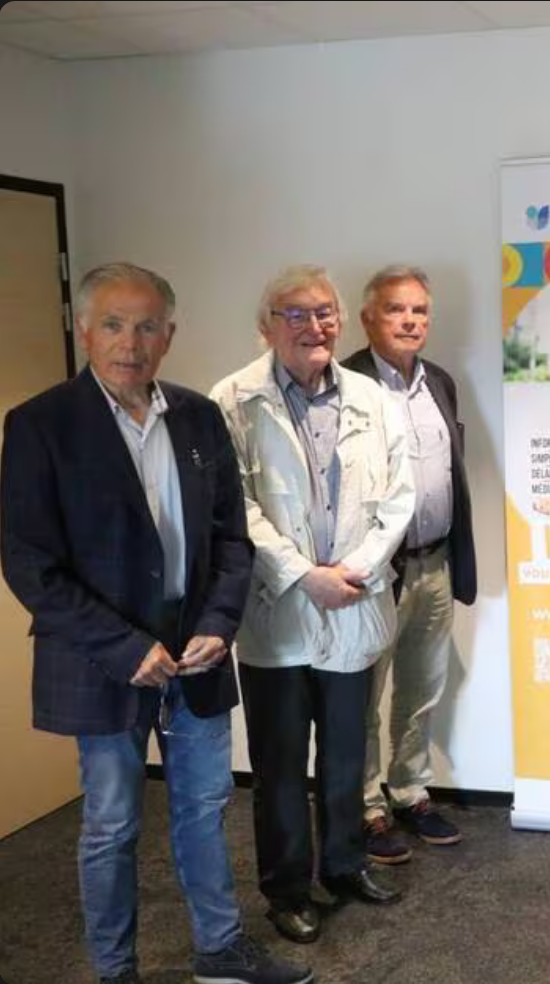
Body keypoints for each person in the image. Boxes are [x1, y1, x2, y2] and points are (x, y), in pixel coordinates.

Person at [0, 263, 310, 984]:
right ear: (84, 331)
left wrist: (220, 622)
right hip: (102, 659)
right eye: (113, 324)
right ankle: (115, 971)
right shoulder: (41, 425)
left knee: (204, 807)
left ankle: (219, 950)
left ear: (169, 336)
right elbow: (29, 562)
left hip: (196, 652)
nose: (130, 343)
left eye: (147, 327)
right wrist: (122, 645)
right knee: (112, 822)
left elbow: (231, 538)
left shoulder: (198, 416)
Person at [210, 265, 415, 945]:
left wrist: (355, 569)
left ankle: (347, 864)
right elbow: (234, 506)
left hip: (353, 598)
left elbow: (400, 496)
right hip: (278, 611)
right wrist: (302, 575)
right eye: (295, 314)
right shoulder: (231, 400)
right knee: (279, 764)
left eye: (324, 312)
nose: (314, 326)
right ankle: (288, 888)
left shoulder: (372, 397)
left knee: (347, 754)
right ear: (265, 325)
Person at [342, 265, 477, 865]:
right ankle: (366, 806)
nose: (410, 320)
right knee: (364, 695)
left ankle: (411, 791)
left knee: (422, 687)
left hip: (435, 562)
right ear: (368, 317)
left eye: (419, 310)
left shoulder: (439, 382)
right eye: (396, 309)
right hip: (377, 572)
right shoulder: (344, 383)